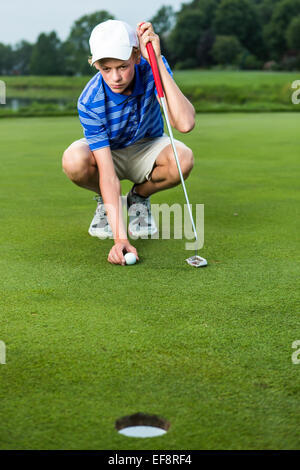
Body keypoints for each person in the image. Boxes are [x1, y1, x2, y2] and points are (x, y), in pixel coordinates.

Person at [62, 20, 195, 266]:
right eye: (106, 68)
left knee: (183, 158)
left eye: (122, 66)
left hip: (148, 146)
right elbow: (108, 173)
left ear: (135, 56)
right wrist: (120, 239)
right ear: (94, 63)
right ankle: (106, 203)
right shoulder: (89, 100)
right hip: (109, 153)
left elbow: (185, 124)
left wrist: (156, 60)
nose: (116, 77)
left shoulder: (150, 68)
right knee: (73, 159)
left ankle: (138, 197)